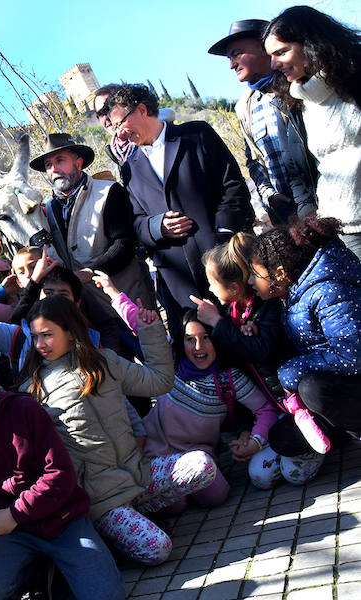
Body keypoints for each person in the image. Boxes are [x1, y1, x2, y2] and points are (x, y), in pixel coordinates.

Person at [21, 295, 218, 565]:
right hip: (101, 499)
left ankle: (138, 512)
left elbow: (159, 382)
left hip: (139, 475)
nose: (39, 344)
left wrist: (150, 331)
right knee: (158, 549)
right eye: (35, 337)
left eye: (47, 335)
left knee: (203, 465)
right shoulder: (34, 389)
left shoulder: (105, 361)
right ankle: (110, 531)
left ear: (70, 331)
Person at [0, 344, 125, 600]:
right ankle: (44, 574)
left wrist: (15, 514)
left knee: (107, 595)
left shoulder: (25, 410)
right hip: (10, 536)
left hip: (62, 519)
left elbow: (60, 474)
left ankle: (65, 568)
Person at [104, 83, 254, 329]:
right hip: (179, 286)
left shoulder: (196, 135)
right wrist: (156, 227)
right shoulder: (129, 167)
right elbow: (137, 222)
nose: (119, 134)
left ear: (142, 109)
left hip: (228, 268)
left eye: (120, 123)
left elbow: (233, 186)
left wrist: (223, 240)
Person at [248, 215, 361, 461]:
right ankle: (342, 436)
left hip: (351, 378)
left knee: (313, 389)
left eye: (254, 273)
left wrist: (296, 368)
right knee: (281, 438)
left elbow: (352, 357)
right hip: (342, 382)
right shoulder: (294, 292)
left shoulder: (328, 290)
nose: (250, 282)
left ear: (278, 273)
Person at [142, 311, 280, 504]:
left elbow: (266, 410)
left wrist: (255, 441)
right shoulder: (170, 363)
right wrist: (115, 293)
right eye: (190, 339)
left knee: (216, 496)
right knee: (175, 506)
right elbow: (142, 332)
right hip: (154, 452)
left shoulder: (229, 378)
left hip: (197, 456)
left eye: (206, 338)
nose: (199, 347)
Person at [264, 6, 361, 260]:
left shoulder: (355, 77)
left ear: (310, 43)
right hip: (340, 230)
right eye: (271, 56)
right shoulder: (296, 102)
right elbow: (304, 171)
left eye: (282, 52)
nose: (274, 64)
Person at [208, 19, 317, 223]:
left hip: (328, 199)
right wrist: (270, 195)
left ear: (263, 47)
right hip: (288, 215)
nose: (231, 65)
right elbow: (254, 160)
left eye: (236, 54)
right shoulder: (245, 106)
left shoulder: (303, 84)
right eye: (229, 58)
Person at [29, 132, 154, 309]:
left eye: (60, 161)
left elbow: (125, 243)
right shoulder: (50, 207)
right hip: (88, 309)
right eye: (48, 165)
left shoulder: (108, 192)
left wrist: (90, 272)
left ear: (78, 163)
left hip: (125, 298)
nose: (54, 169)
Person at [191, 233, 290, 399]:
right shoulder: (235, 310)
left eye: (212, 284)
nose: (209, 289)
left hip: (285, 392)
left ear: (234, 288)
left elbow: (260, 351)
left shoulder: (267, 306)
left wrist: (216, 321)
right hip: (267, 392)